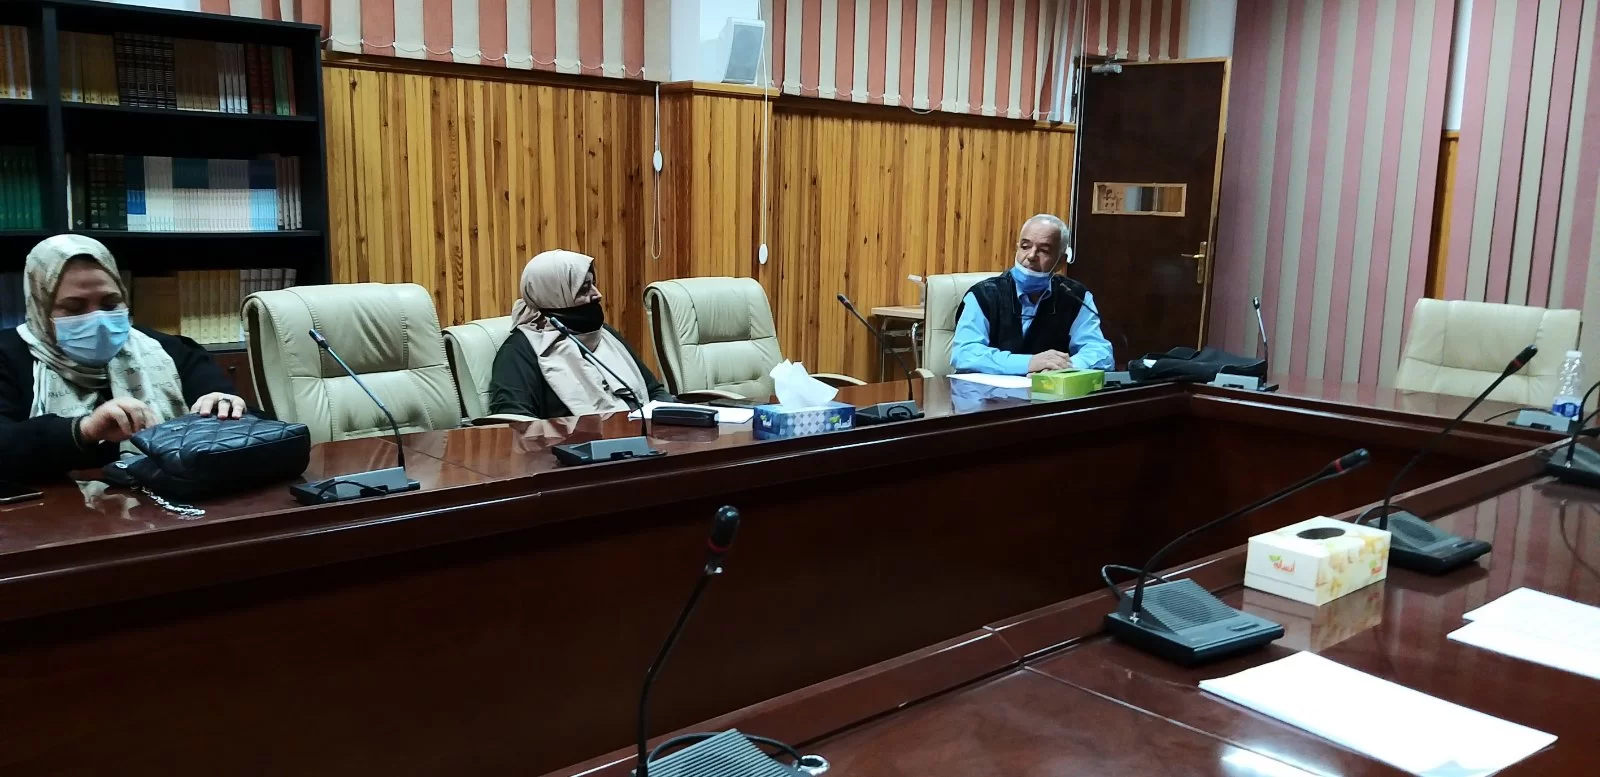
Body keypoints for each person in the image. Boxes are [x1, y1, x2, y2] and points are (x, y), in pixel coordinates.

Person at [0, 235, 247, 481]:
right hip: (56, 503)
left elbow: (241, 419)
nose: (99, 321)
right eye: (75, 308)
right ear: (40, 309)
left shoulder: (168, 350)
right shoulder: (7, 357)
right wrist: (85, 429)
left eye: (110, 304)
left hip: (168, 499)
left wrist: (224, 407)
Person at [489, 250, 671, 419]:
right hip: (574, 442)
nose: (598, 294)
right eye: (584, 289)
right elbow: (515, 423)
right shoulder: (519, 351)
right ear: (554, 295)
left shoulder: (605, 334)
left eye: (594, 284)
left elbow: (654, 391)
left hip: (642, 434)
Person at [951, 213, 1114, 375]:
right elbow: (965, 354)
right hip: (989, 391)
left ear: (1061, 261)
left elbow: (1100, 353)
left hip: (1050, 389)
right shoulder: (983, 295)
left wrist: (1063, 366)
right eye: (1025, 246)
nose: (1031, 256)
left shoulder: (1075, 296)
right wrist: (1028, 363)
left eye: (1044, 250)